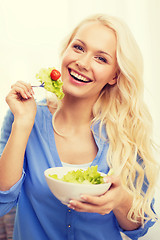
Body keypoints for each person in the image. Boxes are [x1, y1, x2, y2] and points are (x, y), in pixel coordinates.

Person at [0, 14, 159, 240]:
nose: (82, 63)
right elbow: (1, 202)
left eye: (101, 59)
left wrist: (121, 200)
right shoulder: (24, 117)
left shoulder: (127, 130)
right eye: (78, 47)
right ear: (65, 50)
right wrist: (23, 124)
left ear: (114, 76)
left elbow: (139, 227)